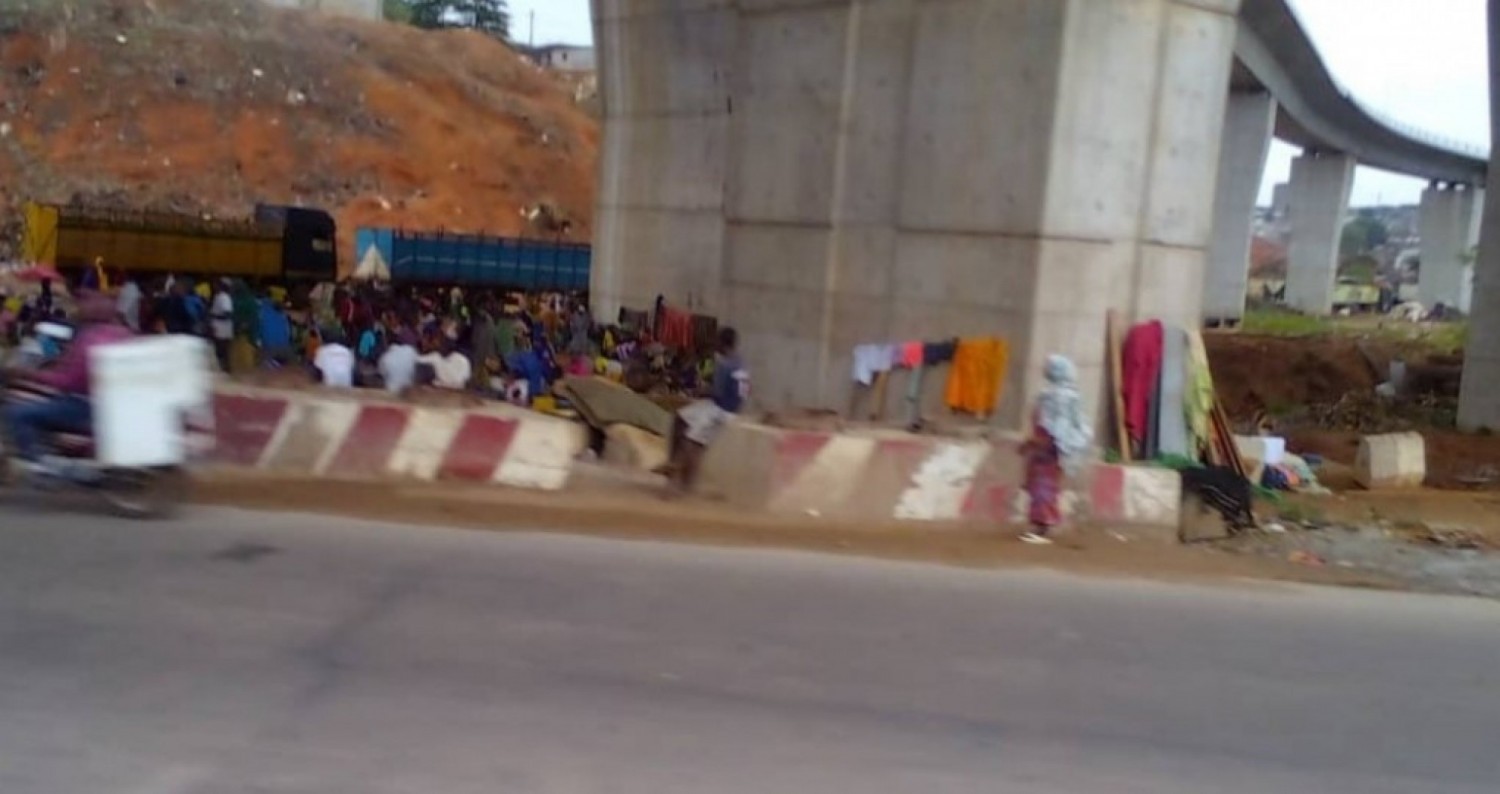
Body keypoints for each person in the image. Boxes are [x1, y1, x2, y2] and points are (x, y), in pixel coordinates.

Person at [3, 293, 131, 474]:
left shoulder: (90, 340)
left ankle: (40, 464)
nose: (80, 307)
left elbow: (68, 381)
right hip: (109, 406)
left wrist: (28, 375)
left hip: (84, 406)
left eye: (84, 301)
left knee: (18, 413)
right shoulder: (124, 334)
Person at [1018, 355, 1094, 545]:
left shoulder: (1056, 398)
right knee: (1041, 487)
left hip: (1048, 449)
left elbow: (1054, 428)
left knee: (1043, 488)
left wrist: (1034, 443)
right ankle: (1041, 525)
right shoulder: (1063, 395)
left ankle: (1043, 527)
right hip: (1048, 449)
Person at [664, 327, 747, 495]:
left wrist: (698, 390)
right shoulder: (741, 363)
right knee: (680, 418)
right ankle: (673, 466)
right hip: (728, 408)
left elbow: (716, 391)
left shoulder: (724, 365)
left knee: (691, 441)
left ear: (722, 344)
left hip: (720, 410)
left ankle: (684, 483)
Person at [378, 329, 420, 395]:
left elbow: (381, 373)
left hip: (390, 392)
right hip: (407, 395)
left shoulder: (386, 355)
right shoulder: (412, 352)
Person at [209, 279, 234, 372]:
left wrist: (214, 315)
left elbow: (227, 314)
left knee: (222, 352)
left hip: (222, 330)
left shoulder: (224, 297)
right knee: (219, 352)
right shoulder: (218, 296)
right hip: (218, 329)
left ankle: (226, 371)